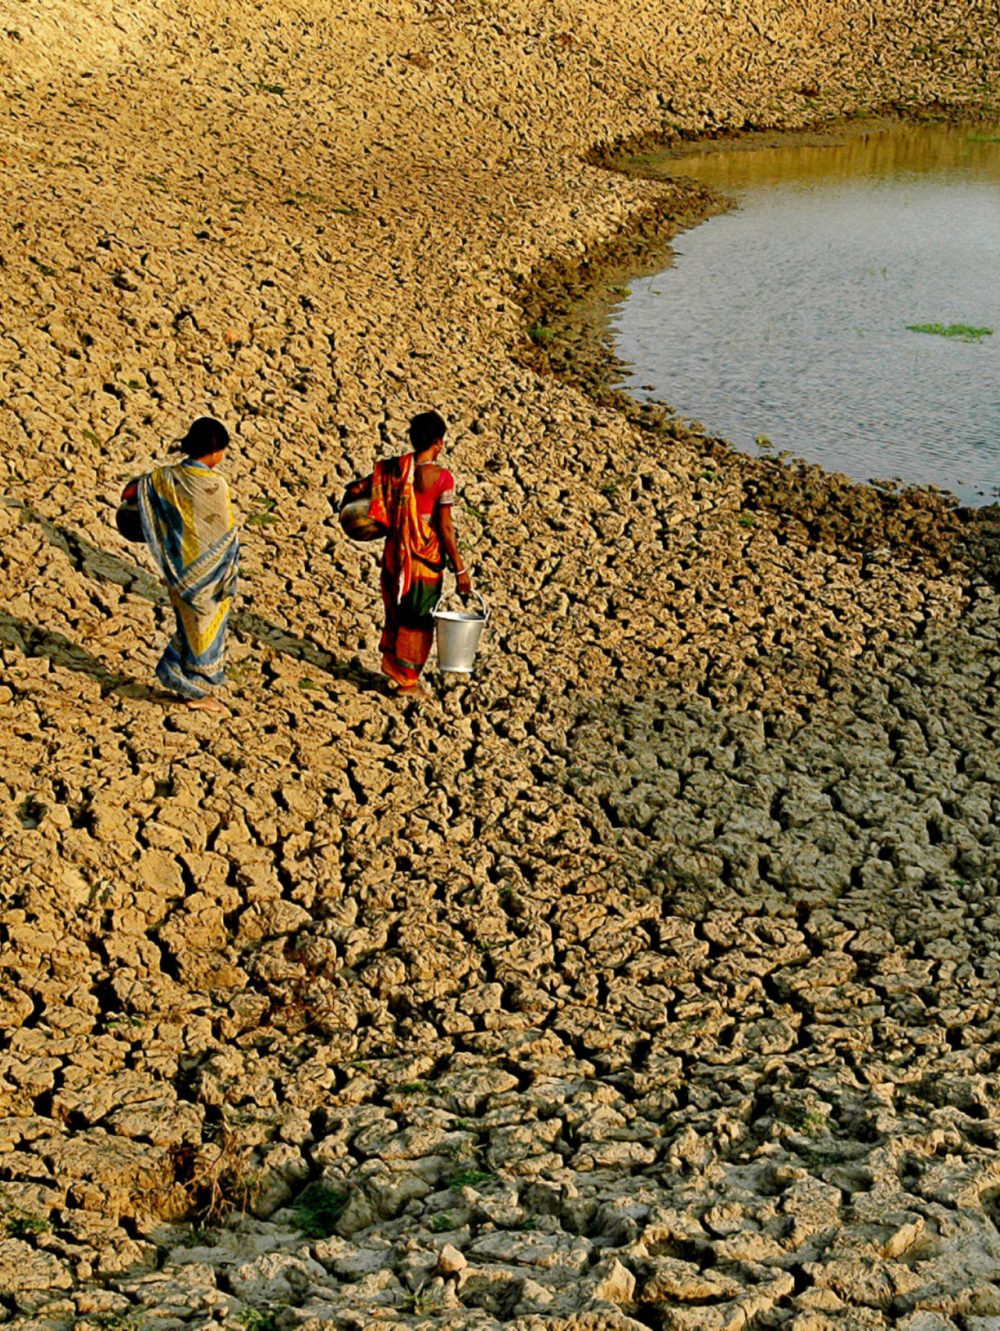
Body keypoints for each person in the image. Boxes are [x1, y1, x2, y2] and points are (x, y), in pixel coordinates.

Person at [358, 410, 472, 697]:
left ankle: (393, 664)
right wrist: (460, 568)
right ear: (437, 442)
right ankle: (407, 678)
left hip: (396, 552)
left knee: (398, 608)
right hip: (424, 560)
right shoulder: (442, 479)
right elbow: (445, 528)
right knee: (419, 617)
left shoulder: (396, 470)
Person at [132, 416, 239, 713]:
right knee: (204, 629)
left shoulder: (165, 477)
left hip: (180, 570)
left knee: (189, 625)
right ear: (216, 451)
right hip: (208, 572)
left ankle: (177, 674)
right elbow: (223, 533)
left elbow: (137, 491)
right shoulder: (214, 485)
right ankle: (196, 691)